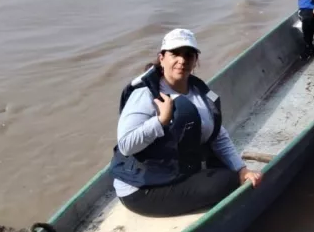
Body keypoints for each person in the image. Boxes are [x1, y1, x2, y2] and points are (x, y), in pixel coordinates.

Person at [110, 29, 262, 218]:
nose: (182, 60)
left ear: (195, 60)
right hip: (143, 189)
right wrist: (160, 122)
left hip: (174, 172)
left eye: (188, 54)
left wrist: (242, 169)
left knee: (228, 169)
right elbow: (125, 145)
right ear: (162, 57)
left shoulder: (200, 92)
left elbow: (218, 135)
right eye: (175, 53)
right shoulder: (145, 94)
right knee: (226, 182)